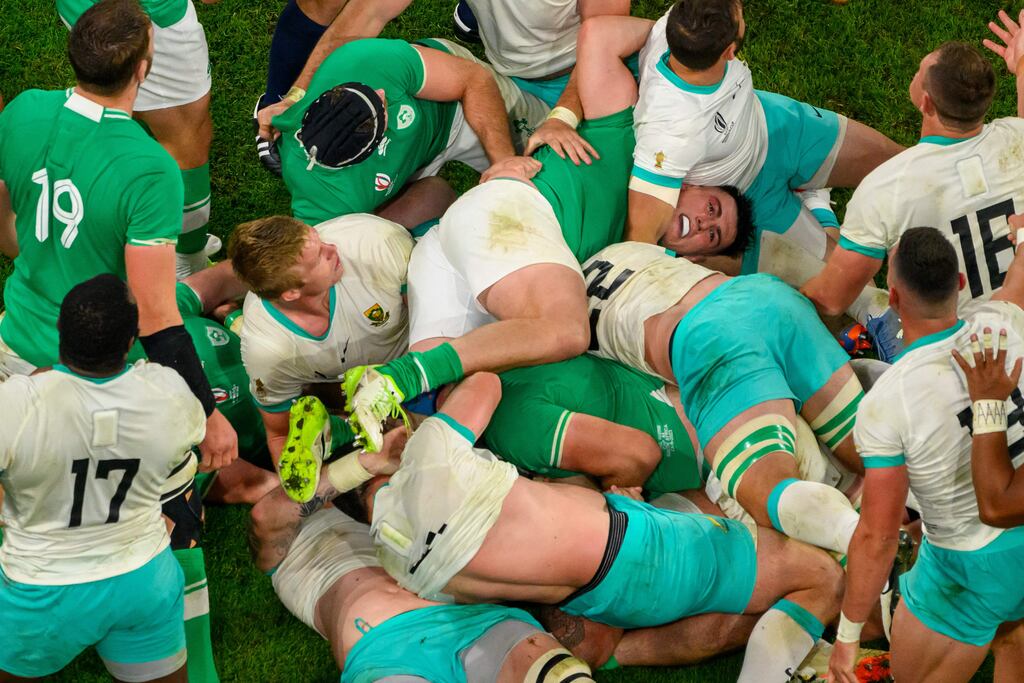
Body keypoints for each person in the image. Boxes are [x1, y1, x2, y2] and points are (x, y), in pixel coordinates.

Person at [334, 14, 754, 454]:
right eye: (712, 209)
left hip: (459, 261)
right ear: (692, 183)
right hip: (509, 217)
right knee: (566, 329)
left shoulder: (628, 265)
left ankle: (338, 437)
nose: (705, 224)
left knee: (448, 408)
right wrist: (565, 113)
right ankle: (404, 375)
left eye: (712, 236)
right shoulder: (628, 138)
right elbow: (599, 35)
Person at [290, 373, 844, 682]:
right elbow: (483, 382)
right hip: (648, 553)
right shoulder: (434, 455)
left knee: (713, 541)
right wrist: (412, 425)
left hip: (600, 596)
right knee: (819, 576)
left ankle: (631, 652)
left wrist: (358, 468)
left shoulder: (393, 556)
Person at [0, 5, 235, 679]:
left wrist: (21, 251)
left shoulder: (22, 112)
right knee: (170, 503)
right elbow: (159, 314)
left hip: (17, 339)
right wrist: (207, 410)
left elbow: (4, 206)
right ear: (143, 67)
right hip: (100, 365)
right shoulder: (147, 168)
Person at [827, 226, 1024, 683]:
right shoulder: (1004, 322)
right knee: (1014, 638)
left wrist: (847, 637)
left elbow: (877, 535)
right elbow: (1017, 279)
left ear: (893, 299)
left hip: (970, 569)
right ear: (959, 283)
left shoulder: (885, 403)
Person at [0, 275, 203, 682]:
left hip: (41, 588)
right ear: (131, 341)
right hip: (143, 578)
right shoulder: (169, 393)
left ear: (60, 332)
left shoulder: (18, 404)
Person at [620, 0, 901, 273]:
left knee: (904, 164)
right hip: (747, 202)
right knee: (845, 287)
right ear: (730, 51)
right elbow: (640, 241)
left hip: (781, 126)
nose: (741, 7)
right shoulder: (671, 134)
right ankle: (817, 205)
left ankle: (814, 199)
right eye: (739, 11)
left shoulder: (689, 21)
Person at [803, 38, 1024, 358]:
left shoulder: (886, 187)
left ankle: (820, 210)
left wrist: (780, 296)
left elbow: (831, 299)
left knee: (876, 308)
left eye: (919, 71)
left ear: (926, 103)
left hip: (949, 364)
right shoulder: (1016, 139)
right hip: (1015, 330)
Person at [248, 486, 598, 682]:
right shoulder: (279, 544)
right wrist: (355, 465)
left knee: (563, 677)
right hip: (390, 652)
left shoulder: (369, 521)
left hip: (470, 621)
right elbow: (268, 512)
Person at [254, 0, 629, 172]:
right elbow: (365, 14)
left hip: (584, 74)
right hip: (508, 75)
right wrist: (297, 97)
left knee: (578, 191)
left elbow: (602, 43)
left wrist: (563, 118)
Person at [268, 36, 547, 227]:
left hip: (455, 108)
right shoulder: (328, 201)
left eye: (367, 94)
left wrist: (503, 162)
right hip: (408, 166)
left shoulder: (363, 62)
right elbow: (312, 249)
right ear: (370, 151)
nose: (379, 92)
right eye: (379, 112)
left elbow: (475, 80)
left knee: (543, 158)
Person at [228, 213, 413, 467]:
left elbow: (442, 323)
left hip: (420, 350)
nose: (332, 249)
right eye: (319, 258)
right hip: (351, 388)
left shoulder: (374, 243)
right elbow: (281, 433)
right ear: (292, 292)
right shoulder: (266, 350)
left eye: (319, 240)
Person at [56, 0, 219, 278]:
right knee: (187, 141)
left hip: (86, 10)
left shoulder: (28, 110)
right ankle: (186, 258)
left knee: (122, 107)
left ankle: (117, 227)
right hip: (148, 16)